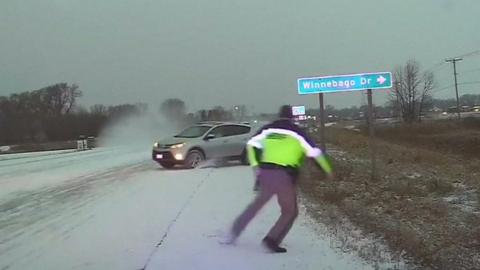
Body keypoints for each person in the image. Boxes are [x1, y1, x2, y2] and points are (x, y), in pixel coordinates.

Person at [227, 105, 334, 253]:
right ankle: (272, 239)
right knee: (290, 211)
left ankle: (234, 231)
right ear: (292, 117)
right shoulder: (297, 132)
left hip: (265, 173)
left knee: (256, 205)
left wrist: (256, 166)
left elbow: (251, 145)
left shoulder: (268, 129)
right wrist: (327, 170)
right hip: (284, 175)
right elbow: (315, 153)